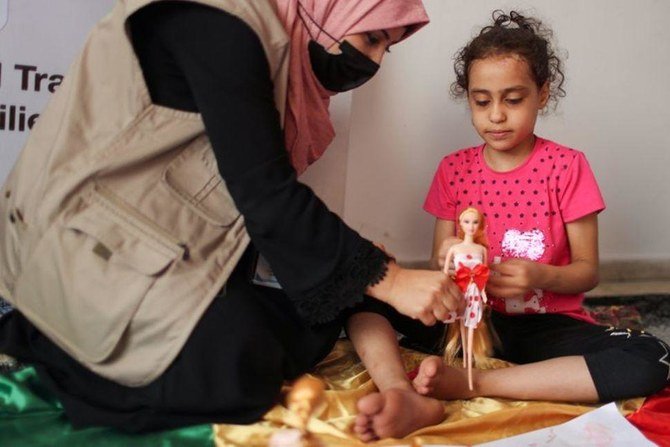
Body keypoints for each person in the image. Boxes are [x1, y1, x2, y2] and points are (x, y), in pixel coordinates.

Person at [0, 0, 459, 434]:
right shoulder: (217, 20)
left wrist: (364, 270)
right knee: (235, 363)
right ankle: (40, 343)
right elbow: (264, 193)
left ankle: (400, 391)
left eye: (387, 47)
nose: (374, 62)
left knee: (336, 287)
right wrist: (390, 278)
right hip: (78, 258)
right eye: (373, 37)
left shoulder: (267, 47)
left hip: (151, 256)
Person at [349, 10, 669, 442]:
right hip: (463, 321)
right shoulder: (454, 169)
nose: (496, 116)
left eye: (513, 100)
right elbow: (436, 257)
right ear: (469, 99)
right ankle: (400, 392)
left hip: (541, 326)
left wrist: (541, 275)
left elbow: (587, 270)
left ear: (542, 93)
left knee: (653, 356)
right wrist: (446, 264)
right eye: (482, 102)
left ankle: (468, 384)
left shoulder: (567, 167)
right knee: (355, 291)